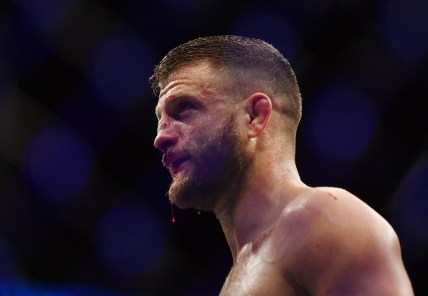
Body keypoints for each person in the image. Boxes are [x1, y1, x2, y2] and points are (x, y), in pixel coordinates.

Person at [151, 35, 413, 295]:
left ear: (254, 116)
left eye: (183, 108)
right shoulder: (241, 272)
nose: (160, 137)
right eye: (161, 119)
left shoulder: (323, 218)